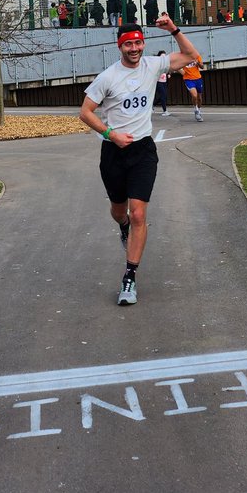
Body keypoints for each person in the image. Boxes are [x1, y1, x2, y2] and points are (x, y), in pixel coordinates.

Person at [79, 16, 202, 307]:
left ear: (143, 43)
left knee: (138, 214)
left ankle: (129, 276)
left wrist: (173, 30)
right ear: (119, 46)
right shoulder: (108, 77)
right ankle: (122, 225)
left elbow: (191, 56)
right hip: (113, 151)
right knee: (119, 211)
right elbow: (85, 112)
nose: (134, 48)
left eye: (137, 43)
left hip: (143, 150)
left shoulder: (153, 65)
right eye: (128, 44)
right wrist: (111, 134)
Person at [181, 55, 205, 122]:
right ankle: (196, 110)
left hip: (198, 79)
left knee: (199, 98)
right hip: (188, 80)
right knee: (194, 95)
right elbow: (178, 67)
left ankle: (199, 111)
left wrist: (198, 63)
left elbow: (202, 67)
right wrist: (181, 71)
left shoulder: (197, 56)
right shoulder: (182, 58)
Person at [153, 51, 171, 117]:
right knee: (163, 95)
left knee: (163, 96)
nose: (163, 57)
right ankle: (165, 111)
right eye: (162, 56)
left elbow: (168, 69)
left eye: (164, 56)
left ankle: (152, 105)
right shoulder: (157, 63)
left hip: (164, 81)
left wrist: (169, 74)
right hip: (158, 82)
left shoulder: (166, 64)